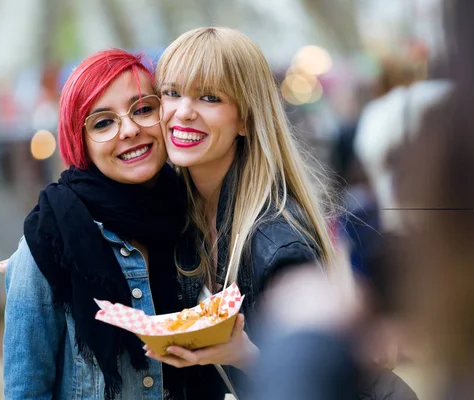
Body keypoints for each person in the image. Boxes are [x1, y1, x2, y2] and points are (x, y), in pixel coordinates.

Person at [143, 27, 348, 398]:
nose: (183, 112)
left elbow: (315, 380)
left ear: (244, 119)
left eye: (209, 97)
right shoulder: (173, 212)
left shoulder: (280, 245)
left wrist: (246, 356)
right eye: (171, 93)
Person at [2, 49, 190, 400]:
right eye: (103, 122)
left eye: (143, 109)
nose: (130, 129)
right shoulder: (49, 240)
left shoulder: (192, 213)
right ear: (81, 141)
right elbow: (25, 391)